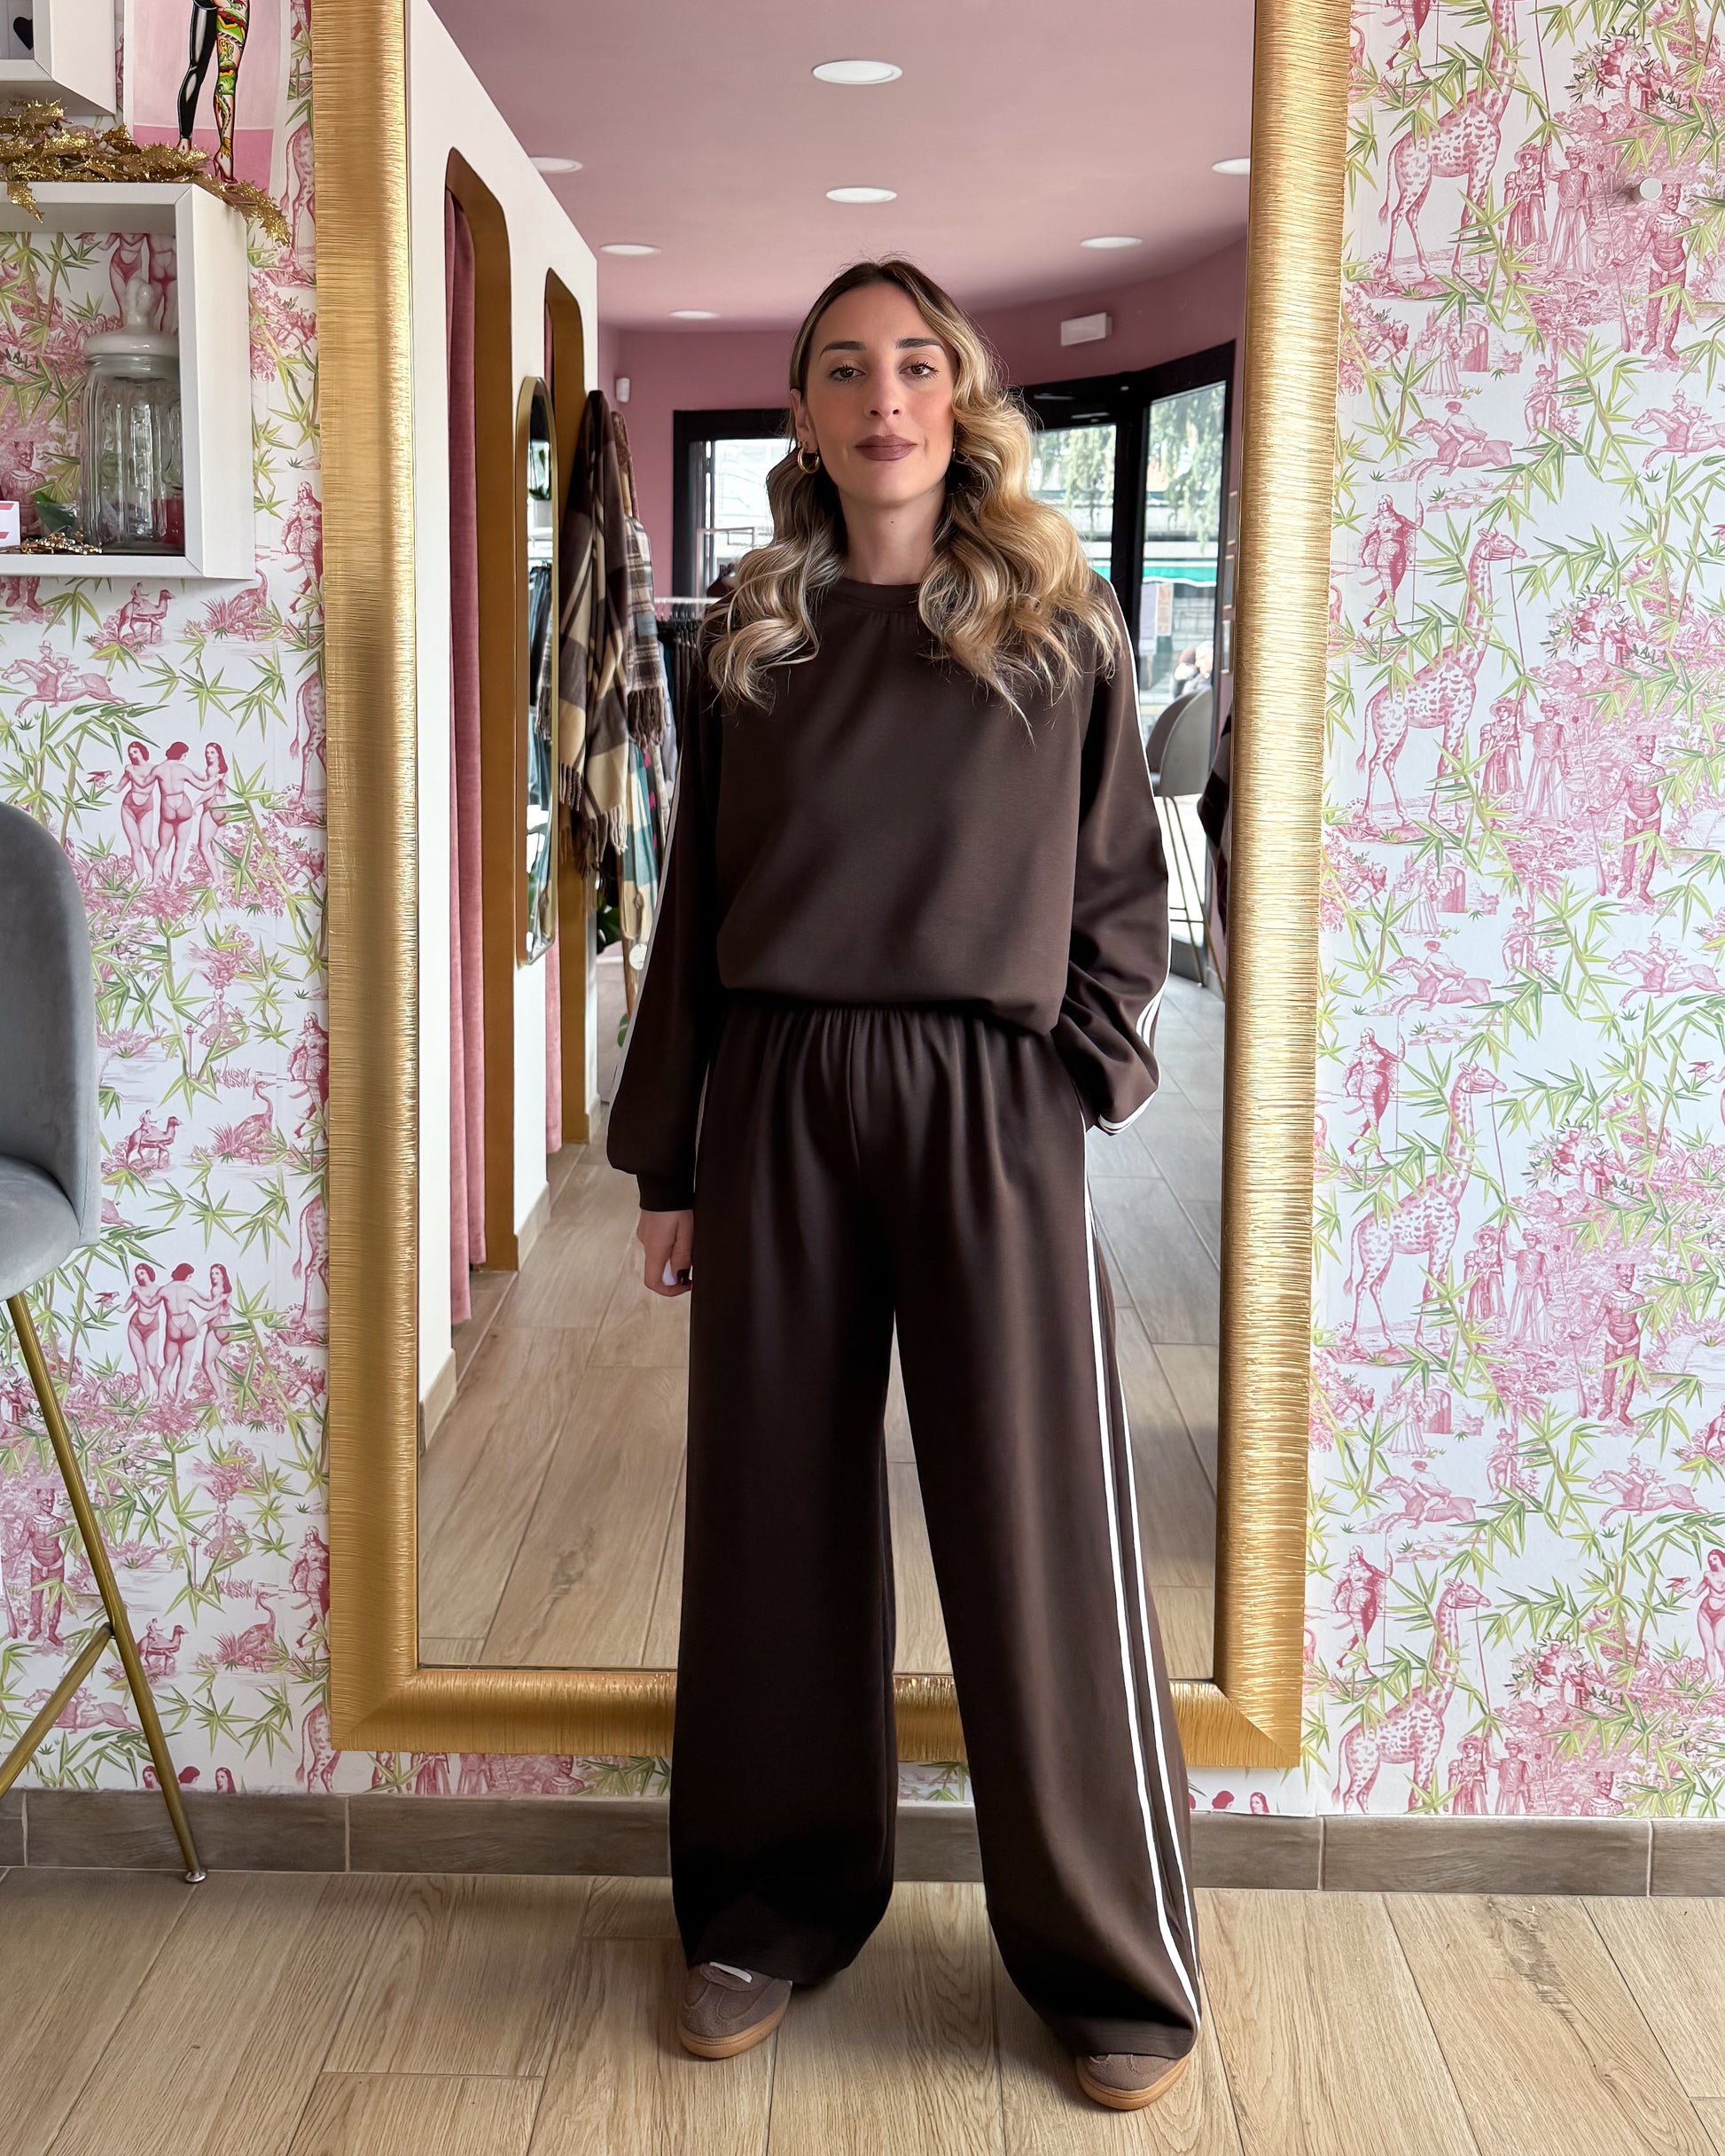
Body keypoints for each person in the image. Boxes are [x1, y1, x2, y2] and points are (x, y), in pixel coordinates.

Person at [605, 256, 1199, 2112]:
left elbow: (1123, 886)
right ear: (800, 409)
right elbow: (696, 910)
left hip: (985, 1101)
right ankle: (763, 1906)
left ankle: (1102, 1951)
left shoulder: (1056, 623)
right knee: (770, 1510)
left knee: (1032, 1519)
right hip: (779, 1091)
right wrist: (671, 1156)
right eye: (847, 368)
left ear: (961, 400)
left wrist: (1070, 1079)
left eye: (918, 365)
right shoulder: (749, 635)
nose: (885, 399)